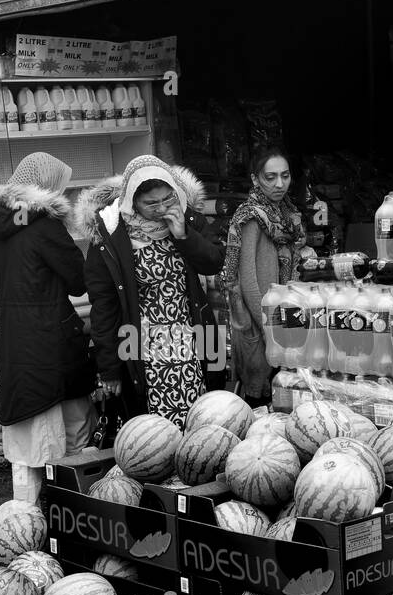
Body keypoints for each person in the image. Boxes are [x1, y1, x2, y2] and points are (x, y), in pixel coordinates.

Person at [74, 155, 224, 430]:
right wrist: (109, 368)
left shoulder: (188, 218)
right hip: (145, 346)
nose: (162, 208)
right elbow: (103, 305)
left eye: (167, 199)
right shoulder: (110, 235)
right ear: (132, 201)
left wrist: (183, 235)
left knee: (206, 419)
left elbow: (213, 261)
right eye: (151, 203)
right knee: (157, 430)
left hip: (198, 335)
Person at [0, 152, 95, 504]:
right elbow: (78, 281)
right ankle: (69, 518)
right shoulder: (45, 225)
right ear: (49, 188)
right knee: (63, 437)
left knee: (26, 441)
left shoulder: (2, 223)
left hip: (16, 340)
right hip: (50, 341)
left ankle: (23, 519)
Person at [221, 147, 306, 407]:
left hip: (281, 318)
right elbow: (247, 282)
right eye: (270, 177)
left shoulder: (286, 215)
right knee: (260, 398)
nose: (279, 184)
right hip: (259, 323)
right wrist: (272, 329)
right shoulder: (251, 217)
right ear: (255, 179)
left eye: (285, 175)